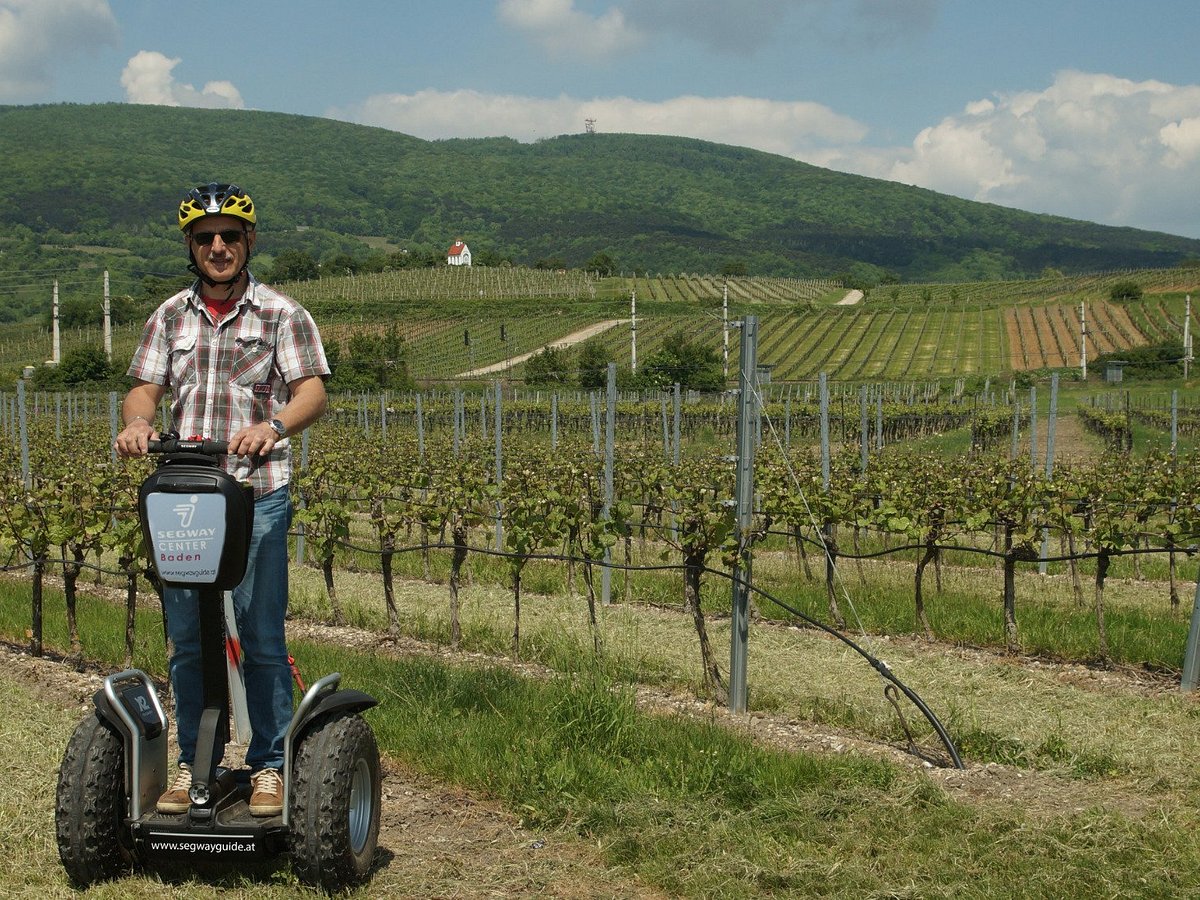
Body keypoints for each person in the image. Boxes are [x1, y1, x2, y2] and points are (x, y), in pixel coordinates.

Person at [114, 182, 330, 817]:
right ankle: (194, 764)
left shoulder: (281, 315)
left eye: (230, 236)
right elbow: (144, 391)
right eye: (205, 237)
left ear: (249, 241)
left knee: (260, 635)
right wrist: (135, 424)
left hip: (257, 494)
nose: (218, 247)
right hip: (186, 495)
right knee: (187, 638)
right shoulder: (170, 316)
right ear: (190, 245)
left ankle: (268, 767)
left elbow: (311, 392)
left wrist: (275, 426)